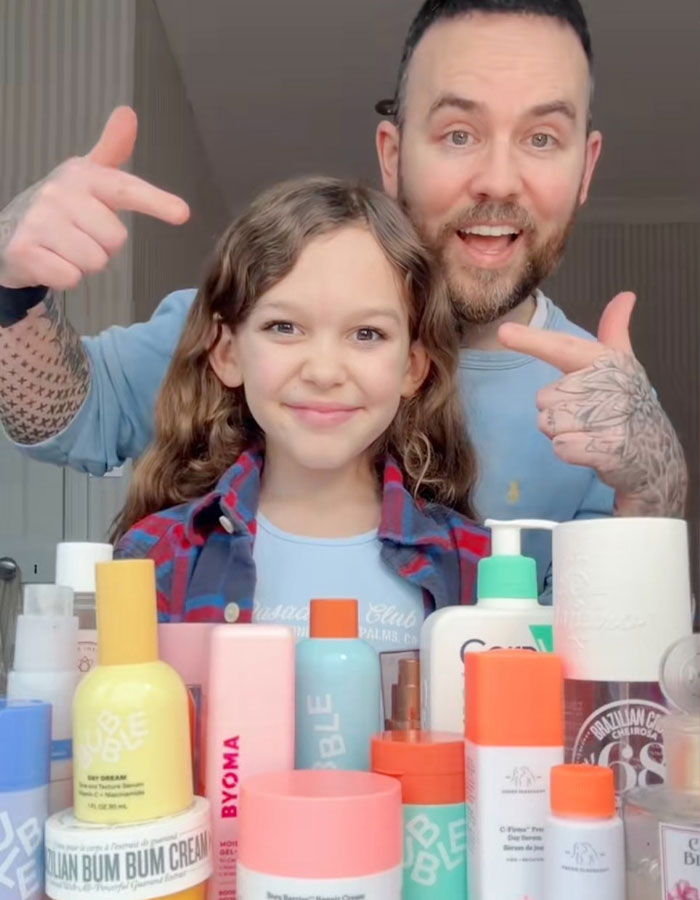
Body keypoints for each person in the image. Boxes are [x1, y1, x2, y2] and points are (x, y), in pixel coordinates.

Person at [0, 0, 687, 596]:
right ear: (392, 154)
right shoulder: (251, 323)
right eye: (458, 134)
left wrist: (652, 487)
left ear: (585, 165)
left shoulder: (599, 409)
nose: (499, 181)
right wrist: (11, 285)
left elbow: (602, 678)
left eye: (542, 138)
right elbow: (59, 414)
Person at [112, 176, 489, 649]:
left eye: (367, 334)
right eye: (284, 327)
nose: (325, 371)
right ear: (228, 353)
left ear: (412, 368)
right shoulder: (157, 557)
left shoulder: (475, 565)